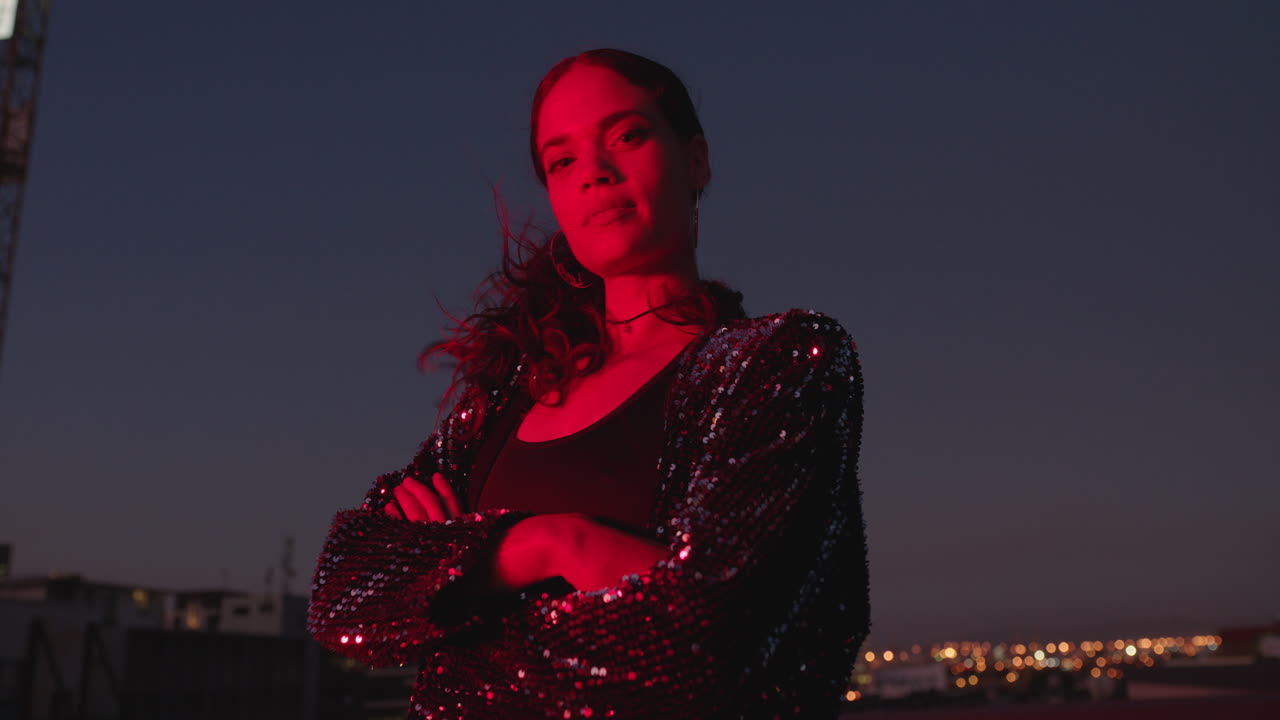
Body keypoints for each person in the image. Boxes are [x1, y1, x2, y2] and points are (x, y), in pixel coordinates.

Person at [307, 48, 870, 719]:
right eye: (561, 160)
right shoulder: (505, 397)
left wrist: (462, 599)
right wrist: (547, 545)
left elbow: (712, 644)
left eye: (626, 137)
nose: (594, 175)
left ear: (696, 161)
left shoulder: (778, 363)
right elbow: (342, 595)